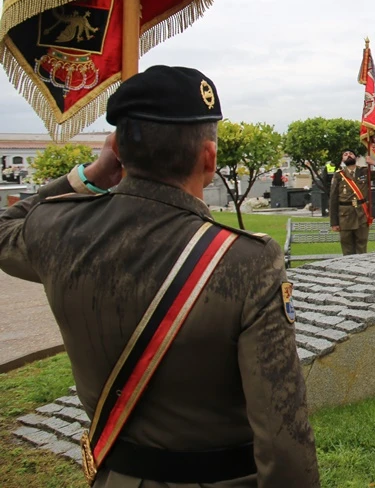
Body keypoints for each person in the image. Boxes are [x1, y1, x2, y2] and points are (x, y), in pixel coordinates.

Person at [0, 66, 319, 487]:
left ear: (116, 149)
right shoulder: (245, 260)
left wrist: (88, 176)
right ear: (209, 158)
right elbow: (282, 431)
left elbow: (7, 226)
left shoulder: (59, 231)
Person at [329, 149, 375, 255]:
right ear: (342, 159)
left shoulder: (364, 171)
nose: (348, 155)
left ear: (356, 157)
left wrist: (374, 163)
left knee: (362, 245)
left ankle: (361, 268)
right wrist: (334, 222)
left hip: (361, 214)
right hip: (345, 216)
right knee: (347, 247)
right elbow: (333, 199)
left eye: (351, 154)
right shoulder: (338, 175)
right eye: (345, 155)